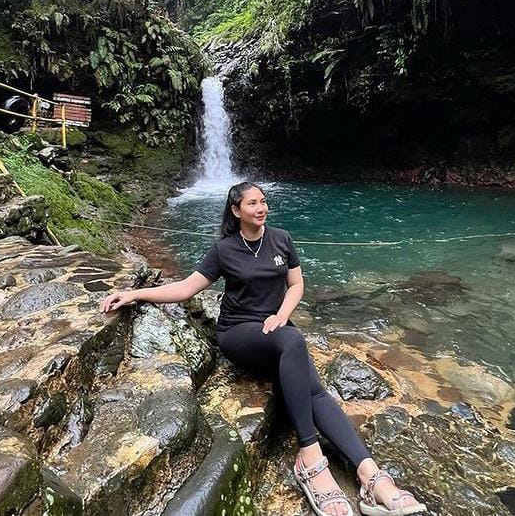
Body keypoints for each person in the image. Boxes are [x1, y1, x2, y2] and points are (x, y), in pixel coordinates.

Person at [101, 182, 427, 516]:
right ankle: (310, 455)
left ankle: (368, 472)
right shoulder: (224, 249)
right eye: (253, 203)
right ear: (236, 211)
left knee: (312, 388)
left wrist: (282, 315)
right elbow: (186, 288)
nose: (262, 208)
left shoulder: (281, 238)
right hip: (239, 332)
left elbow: (296, 284)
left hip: (278, 329)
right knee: (294, 343)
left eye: (264, 201)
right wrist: (134, 294)